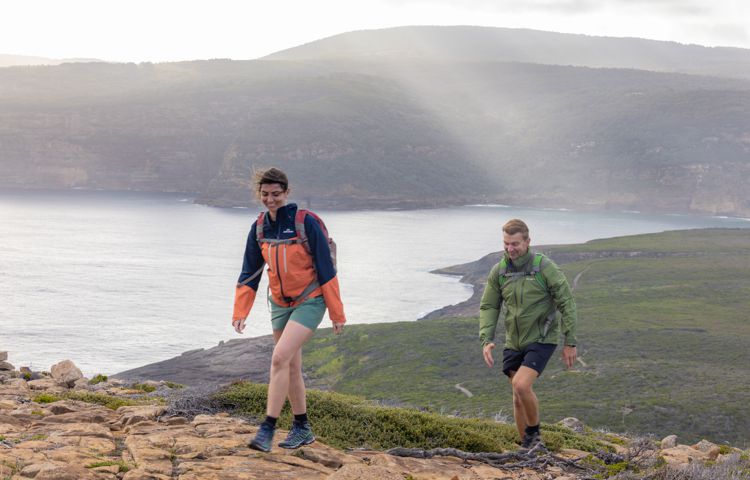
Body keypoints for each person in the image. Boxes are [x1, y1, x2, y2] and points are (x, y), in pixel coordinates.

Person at [232, 167, 346, 452]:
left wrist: (336, 312)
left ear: (286, 192)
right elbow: (250, 271)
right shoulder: (259, 227)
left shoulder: (304, 222)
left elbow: (326, 268)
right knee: (292, 365)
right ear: (259, 194)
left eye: (276, 194)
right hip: (280, 305)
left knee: (279, 357)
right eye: (265, 194)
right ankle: (302, 427)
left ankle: (267, 428)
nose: (270, 199)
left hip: (311, 300)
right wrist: (241, 310)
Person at [479, 218, 577, 452]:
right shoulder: (500, 270)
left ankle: (535, 437)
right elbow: (489, 306)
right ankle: (527, 449)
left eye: (515, 244)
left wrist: (570, 341)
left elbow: (567, 303)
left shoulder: (545, 267)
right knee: (516, 395)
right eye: (506, 244)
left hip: (542, 338)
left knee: (522, 386)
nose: (510, 249)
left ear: (527, 242)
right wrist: (487, 338)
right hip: (514, 340)